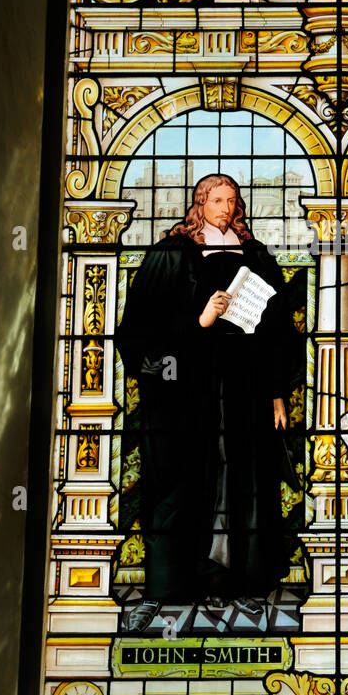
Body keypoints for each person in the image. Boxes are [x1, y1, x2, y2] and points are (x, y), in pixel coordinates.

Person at [114, 174, 297, 632]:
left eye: (231, 200)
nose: (225, 207)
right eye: (216, 200)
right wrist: (199, 321)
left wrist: (276, 390)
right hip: (182, 396)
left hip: (244, 393)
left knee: (239, 482)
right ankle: (169, 587)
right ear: (200, 204)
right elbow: (137, 332)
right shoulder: (170, 254)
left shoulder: (254, 256)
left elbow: (279, 331)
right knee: (178, 484)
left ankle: (239, 582)